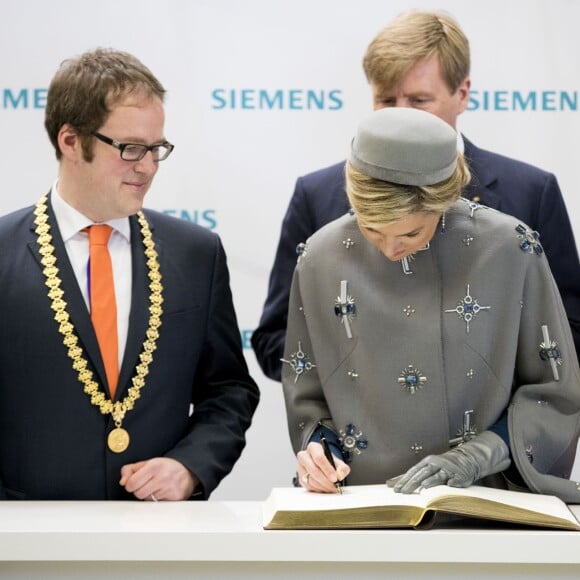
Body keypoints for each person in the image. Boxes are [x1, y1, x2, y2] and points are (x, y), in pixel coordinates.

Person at [252, 10, 580, 382]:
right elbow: (274, 341)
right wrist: (364, 361)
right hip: (359, 433)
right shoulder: (317, 195)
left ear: (463, 94)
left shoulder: (531, 193)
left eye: (419, 100)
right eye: (387, 100)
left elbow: (568, 332)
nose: (401, 118)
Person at [282, 106, 580, 503]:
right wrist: (319, 450)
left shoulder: (511, 250)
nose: (390, 249)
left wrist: (484, 453)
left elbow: (554, 390)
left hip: (486, 505)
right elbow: (307, 388)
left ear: (443, 202)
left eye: (410, 232)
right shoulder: (320, 258)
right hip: (361, 507)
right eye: (371, 229)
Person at [0, 48, 259, 501]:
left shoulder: (196, 253)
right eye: (130, 148)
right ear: (70, 140)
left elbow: (229, 390)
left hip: (158, 537)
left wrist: (189, 466)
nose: (148, 166)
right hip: (24, 538)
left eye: (156, 148)